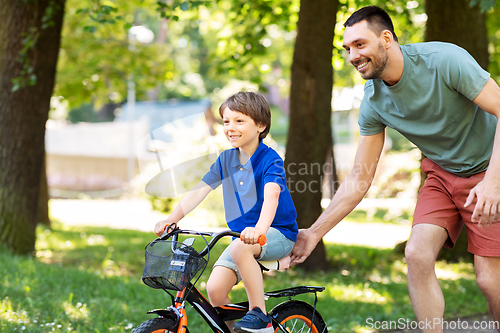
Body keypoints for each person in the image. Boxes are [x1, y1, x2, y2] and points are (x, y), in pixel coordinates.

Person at [290, 5, 500, 332]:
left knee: (489, 282)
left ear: (386, 39)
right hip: (443, 175)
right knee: (416, 254)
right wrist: (314, 233)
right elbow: (359, 179)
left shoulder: (445, 61)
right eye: (347, 49)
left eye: (360, 44)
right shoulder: (374, 103)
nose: (352, 56)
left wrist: (493, 184)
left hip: (491, 168)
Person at [154, 91, 298, 333]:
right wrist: (171, 220)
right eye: (226, 121)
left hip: (276, 233)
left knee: (240, 246)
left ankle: (259, 315)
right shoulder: (226, 160)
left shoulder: (270, 159)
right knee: (215, 290)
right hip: (242, 238)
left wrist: (260, 230)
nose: (230, 127)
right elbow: (201, 190)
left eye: (239, 121)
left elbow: (272, 196)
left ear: (260, 125)